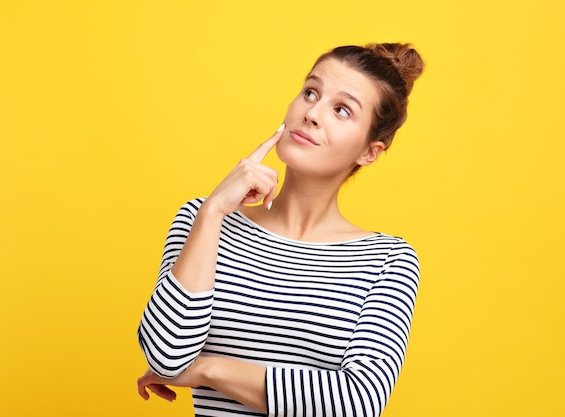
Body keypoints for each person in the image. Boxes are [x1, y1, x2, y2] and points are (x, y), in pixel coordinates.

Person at [137, 43, 424, 417]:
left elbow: (357, 402)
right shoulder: (204, 220)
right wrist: (214, 211)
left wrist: (208, 369)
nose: (313, 114)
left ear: (369, 152)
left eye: (341, 110)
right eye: (310, 92)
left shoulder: (388, 261)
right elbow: (166, 355)